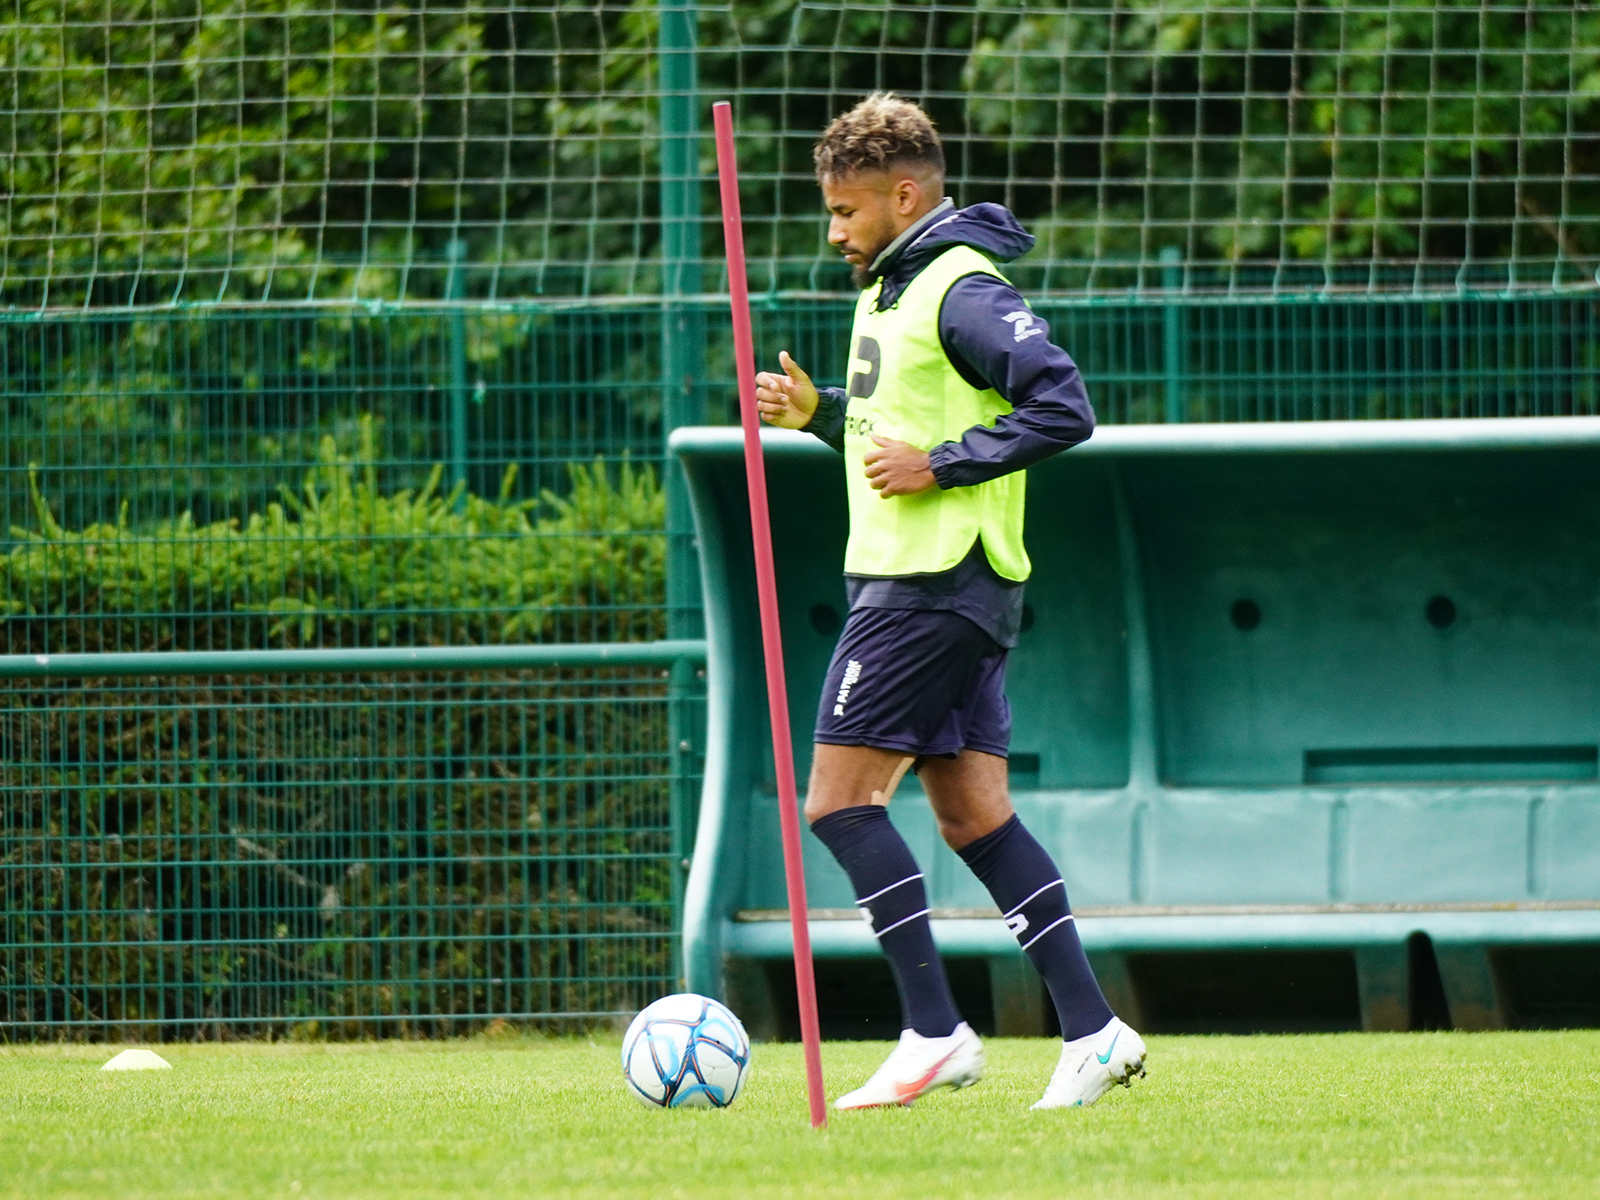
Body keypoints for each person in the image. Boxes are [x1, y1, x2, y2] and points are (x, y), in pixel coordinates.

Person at [753, 93, 1147, 1111]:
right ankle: (1094, 1030)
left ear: (903, 194)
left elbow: (1063, 405)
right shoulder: (888, 290)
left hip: (926, 588)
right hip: (945, 588)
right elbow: (897, 423)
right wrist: (818, 416)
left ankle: (933, 1030)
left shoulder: (959, 286)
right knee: (973, 815)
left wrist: (944, 464)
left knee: (838, 803)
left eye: (845, 212)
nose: (832, 231)